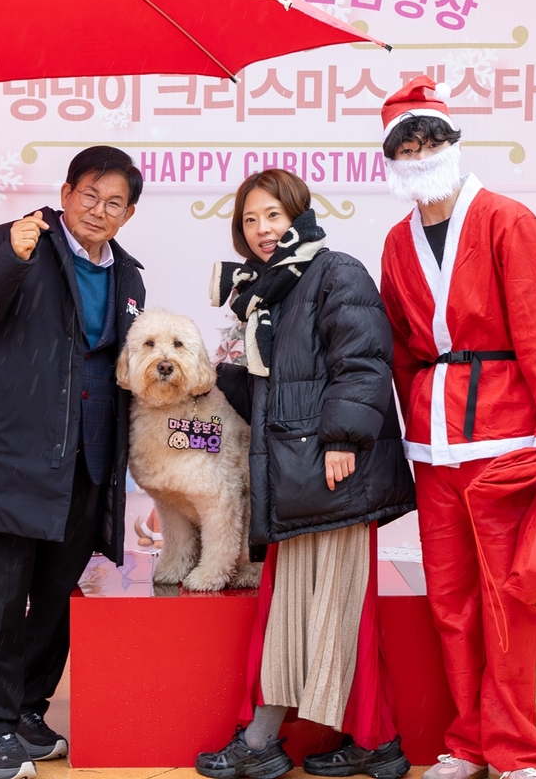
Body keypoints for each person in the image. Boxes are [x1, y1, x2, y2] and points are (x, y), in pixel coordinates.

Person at [377, 76, 536, 779]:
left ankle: (517, 751)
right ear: (391, 160)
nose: (419, 152)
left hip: (506, 439)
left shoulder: (505, 220)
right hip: (434, 446)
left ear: (453, 143)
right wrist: (401, 434)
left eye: (429, 138)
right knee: (451, 602)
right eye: (405, 145)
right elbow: (402, 349)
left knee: (506, 599)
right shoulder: (397, 244)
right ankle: (467, 742)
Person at [196, 169, 416, 779]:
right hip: (297, 475)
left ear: (298, 213)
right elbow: (284, 386)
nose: (263, 230)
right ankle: (347, 742)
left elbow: (363, 359)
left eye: (273, 215)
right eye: (250, 220)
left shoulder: (335, 270)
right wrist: (215, 379)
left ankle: (317, 741)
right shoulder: (272, 289)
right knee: (293, 606)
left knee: (337, 608)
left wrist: (344, 439)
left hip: (333, 468)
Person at [0, 145, 146, 779]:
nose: (98, 210)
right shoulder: (20, 244)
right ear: (65, 193)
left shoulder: (130, 275)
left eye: (114, 202)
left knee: (57, 595)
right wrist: (11, 255)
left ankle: (29, 710)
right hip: (15, 456)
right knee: (2, 595)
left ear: (129, 213)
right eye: (89, 195)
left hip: (90, 459)